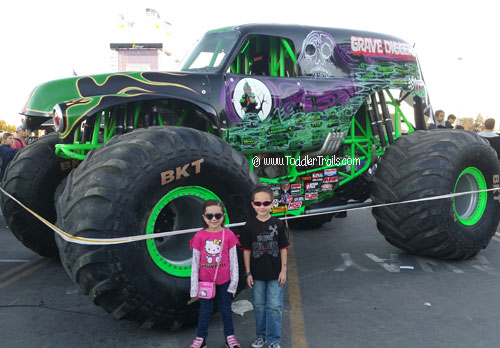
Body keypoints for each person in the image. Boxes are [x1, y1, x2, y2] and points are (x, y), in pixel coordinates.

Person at [241, 186, 290, 348]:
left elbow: (283, 248)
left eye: (266, 203)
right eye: (258, 203)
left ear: (272, 204)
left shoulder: (278, 224)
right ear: (253, 205)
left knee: (275, 307)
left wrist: (284, 270)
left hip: (276, 274)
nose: (262, 206)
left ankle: (274, 340)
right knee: (259, 307)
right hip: (256, 275)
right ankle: (260, 336)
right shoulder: (249, 226)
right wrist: (248, 272)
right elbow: (246, 251)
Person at [189, 200, 241, 348]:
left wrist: (233, 284)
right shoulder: (199, 236)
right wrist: (194, 288)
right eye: (209, 215)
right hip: (205, 281)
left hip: (224, 280)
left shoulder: (229, 235)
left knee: (226, 309)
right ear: (204, 217)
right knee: (205, 310)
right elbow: (195, 263)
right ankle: (201, 338)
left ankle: (230, 337)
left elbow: (234, 260)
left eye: (217, 215)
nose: (214, 219)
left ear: (223, 216)